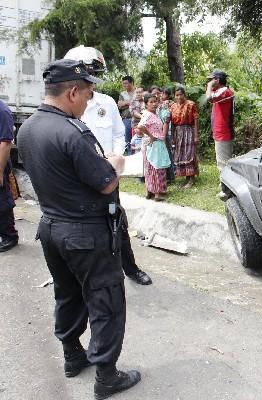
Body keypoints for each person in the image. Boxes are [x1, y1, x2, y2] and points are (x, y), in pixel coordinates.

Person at [17, 59, 141, 399]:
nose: (89, 101)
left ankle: (73, 355)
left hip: (51, 228)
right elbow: (104, 182)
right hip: (85, 233)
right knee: (106, 299)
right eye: (87, 93)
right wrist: (115, 162)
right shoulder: (72, 132)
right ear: (72, 92)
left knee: (68, 293)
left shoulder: (26, 129)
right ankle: (107, 376)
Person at [65, 45, 152, 287]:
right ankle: (78, 275)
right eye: (89, 73)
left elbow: (117, 133)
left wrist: (114, 157)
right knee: (81, 229)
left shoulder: (107, 103)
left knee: (117, 222)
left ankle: (130, 269)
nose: (93, 80)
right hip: (78, 180)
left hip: (107, 175)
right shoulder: (67, 106)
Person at [137, 93, 169, 201]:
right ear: (146, 104)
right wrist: (151, 136)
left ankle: (149, 192)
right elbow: (140, 127)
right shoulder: (148, 115)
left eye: (155, 101)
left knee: (150, 168)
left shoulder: (153, 114)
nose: (154, 104)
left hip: (152, 143)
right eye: (151, 102)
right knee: (155, 167)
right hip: (153, 143)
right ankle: (156, 194)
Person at [165, 87, 199, 188]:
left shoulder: (191, 104)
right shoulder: (173, 107)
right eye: (177, 95)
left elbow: (196, 120)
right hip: (178, 132)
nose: (179, 97)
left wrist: (196, 135)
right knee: (180, 154)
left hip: (188, 130)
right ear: (174, 96)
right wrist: (173, 137)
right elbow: (171, 123)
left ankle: (191, 178)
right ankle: (186, 177)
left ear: (184, 94)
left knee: (189, 154)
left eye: (180, 94)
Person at [205, 69, 235, 172]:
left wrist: (209, 86)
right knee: (223, 162)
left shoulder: (224, 91)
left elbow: (209, 98)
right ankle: (225, 186)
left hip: (223, 132)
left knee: (224, 165)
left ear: (217, 80)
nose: (209, 82)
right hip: (220, 132)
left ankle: (225, 188)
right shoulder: (221, 91)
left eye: (211, 80)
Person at [0, 98, 18, 252]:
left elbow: (6, 143)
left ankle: (9, 236)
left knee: (3, 200)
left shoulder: (3, 111)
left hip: (0, 163)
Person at [157, 88, 175, 181]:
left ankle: (169, 176)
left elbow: (166, 121)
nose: (158, 96)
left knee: (167, 153)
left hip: (164, 133)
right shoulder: (156, 105)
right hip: (156, 134)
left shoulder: (165, 105)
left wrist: (163, 135)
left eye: (159, 93)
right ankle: (162, 176)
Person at [118, 76, 135, 154]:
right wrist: (129, 103)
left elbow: (140, 104)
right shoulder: (122, 94)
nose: (124, 85)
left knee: (138, 138)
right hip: (126, 119)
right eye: (123, 83)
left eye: (126, 83)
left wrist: (125, 103)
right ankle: (129, 155)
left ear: (131, 83)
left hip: (137, 120)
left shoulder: (137, 92)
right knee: (127, 140)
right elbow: (119, 106)